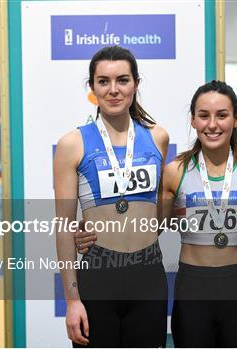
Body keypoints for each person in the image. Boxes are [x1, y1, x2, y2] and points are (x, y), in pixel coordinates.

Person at [76, 80, 237, 347]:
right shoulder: (174, 172)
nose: (212, 125)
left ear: (236, 119)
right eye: (203, 116)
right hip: (193, 287)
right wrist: (94, 233)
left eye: (222, 115)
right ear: (193, 120)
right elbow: (146, 228)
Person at [54, 45, 169, 348]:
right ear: (92, 88)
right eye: (103, 81)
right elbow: (63, 226)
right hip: (97, 278)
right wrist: (72, 301)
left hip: (149, 276)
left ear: (136, 84)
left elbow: (157, 213)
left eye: (122, 80)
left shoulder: (158, 137)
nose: (113, 90)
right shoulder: (72, 144)